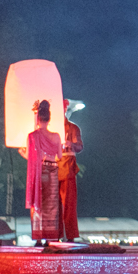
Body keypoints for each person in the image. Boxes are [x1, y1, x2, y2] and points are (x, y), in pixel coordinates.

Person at [20, 100, 64, 244]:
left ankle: (39, 238)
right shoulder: (56, 136)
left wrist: (22, 152)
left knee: (37, 203)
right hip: (52, 171)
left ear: (38, 119)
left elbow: (30, 156)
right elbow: (60, 156)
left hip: (39, 172)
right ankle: (50, 237)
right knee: (51, 205)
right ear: (49, 119)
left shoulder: (32, 136)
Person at [57, 99, 83, 242]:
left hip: (67, 168)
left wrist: (70, 144)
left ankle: (71, 235)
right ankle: (55, 234)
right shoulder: (50, 129)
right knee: (53, 206)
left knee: (69, 204)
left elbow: (79, 146)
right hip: (52, 169)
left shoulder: (73, 128)